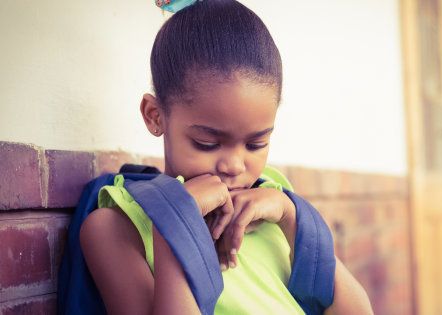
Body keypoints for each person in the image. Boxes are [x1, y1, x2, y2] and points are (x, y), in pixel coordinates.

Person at [77, 1, 372, 314]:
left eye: (257, 143)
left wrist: (291, 215)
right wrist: (176, 223)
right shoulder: (117, 227)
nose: (234, 166)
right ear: (155, 116)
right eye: (207, 142)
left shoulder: (268, 207)